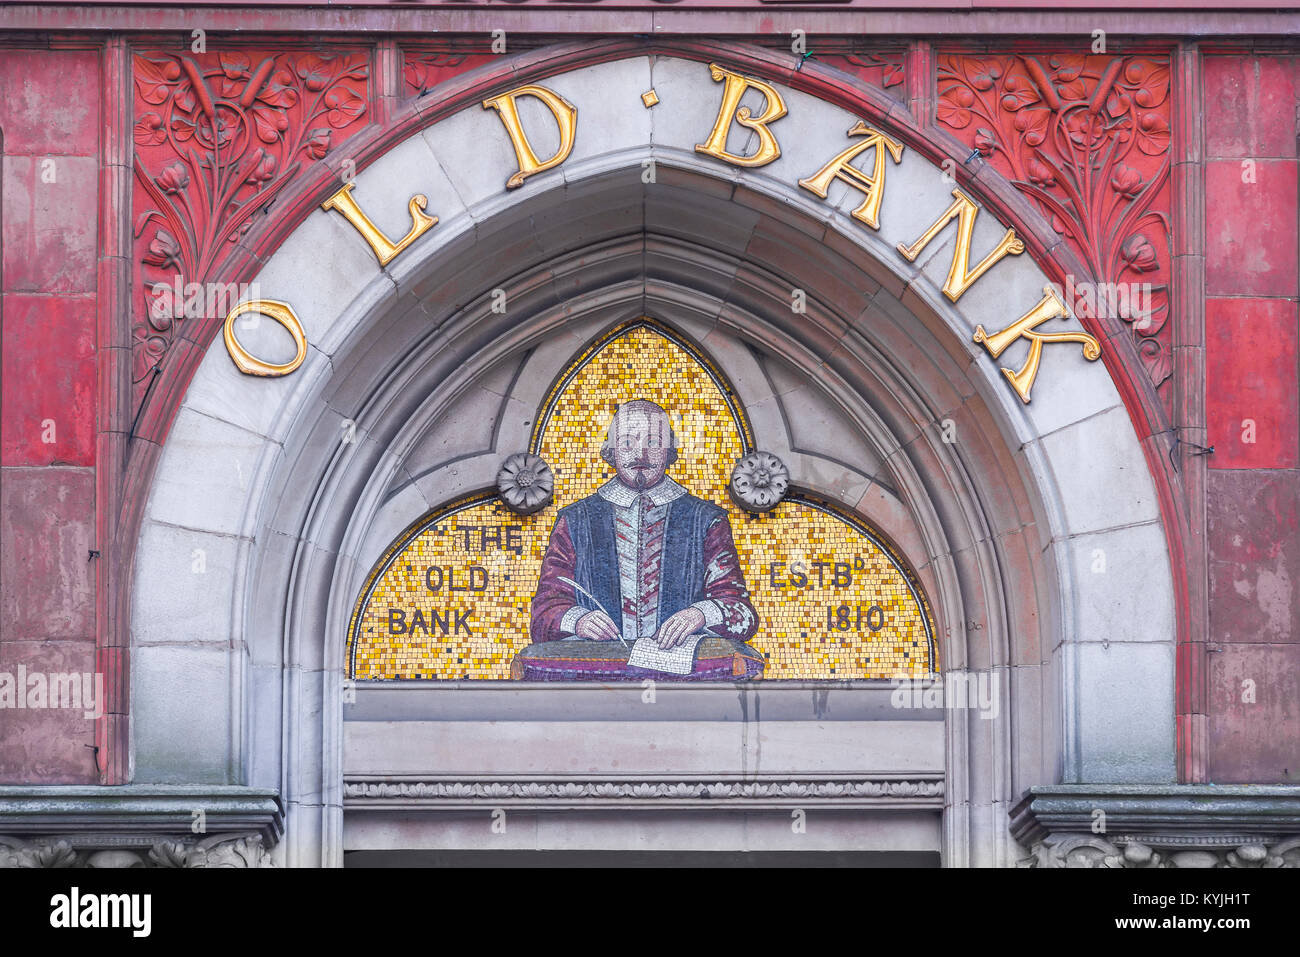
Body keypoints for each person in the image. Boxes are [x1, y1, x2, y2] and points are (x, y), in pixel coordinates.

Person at [530, 399, 758, 649]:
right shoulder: (575, 521)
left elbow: (741, 612)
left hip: (682, 671)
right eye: (628, 442)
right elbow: (544, 611)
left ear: (669, 450)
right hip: (597, 670)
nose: (641, 454)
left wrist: (701, 614)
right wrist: (578, 620)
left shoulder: (706, 520)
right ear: (611, 449)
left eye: (653, 442)